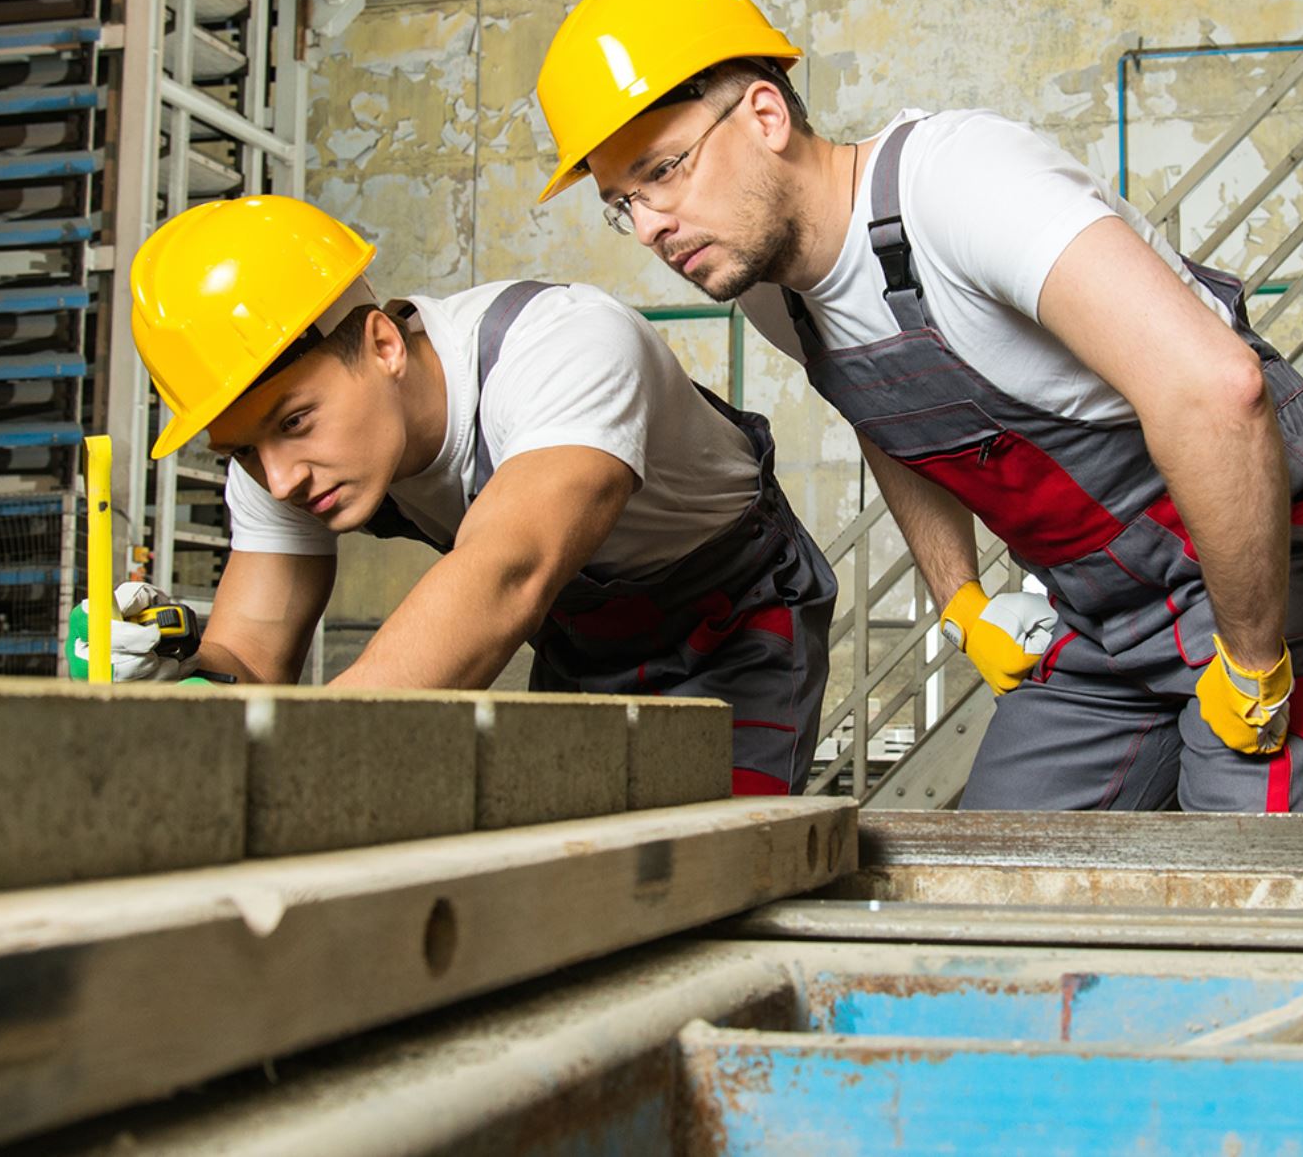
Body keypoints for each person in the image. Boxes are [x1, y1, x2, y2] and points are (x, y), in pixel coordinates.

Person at [531, 0, 1303, 812]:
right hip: (1104, 617)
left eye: (663, 170)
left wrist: (1253, 664)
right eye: (622, 204)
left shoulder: (957, 182)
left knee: (1233, 906)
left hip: (1270, 580)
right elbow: (883, 418)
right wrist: (962, 604)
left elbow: (1218, 391)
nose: (648, 226)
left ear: (763, 113)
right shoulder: (774, 293)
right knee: (997, 877)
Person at [77, 194, 838, 795]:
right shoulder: (284, 463)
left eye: (295, 422)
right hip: (582, 637)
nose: (279, 478)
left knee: (715, 871)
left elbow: (507, 570)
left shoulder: (560, 346)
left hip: (735, 619)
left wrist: (303, 757)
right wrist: (180, 677)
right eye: (243, 451)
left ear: (380, 344)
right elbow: (249, 656)